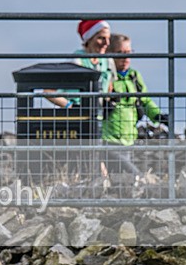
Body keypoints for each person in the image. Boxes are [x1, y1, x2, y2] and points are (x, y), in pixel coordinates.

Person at [105, 33, 166, 175]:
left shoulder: (134, 76)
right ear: (109, 53)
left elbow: (144, 100)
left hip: (129, 139)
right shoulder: (106, 77)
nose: (125, 58)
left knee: (121, 184)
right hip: (109, 140)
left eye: (128, 52)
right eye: (120, 53)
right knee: (135, 177)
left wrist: (157, 116)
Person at [46, 19, 116, 108]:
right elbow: (48, 91)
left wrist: (107, 101)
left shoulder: (108, 61)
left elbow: (109, 85)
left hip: (98, 115)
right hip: (76, 117)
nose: (107, 43)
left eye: (108, 38)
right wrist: (70, 106)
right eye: (101, 38)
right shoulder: (76, 61)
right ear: (89, 39)